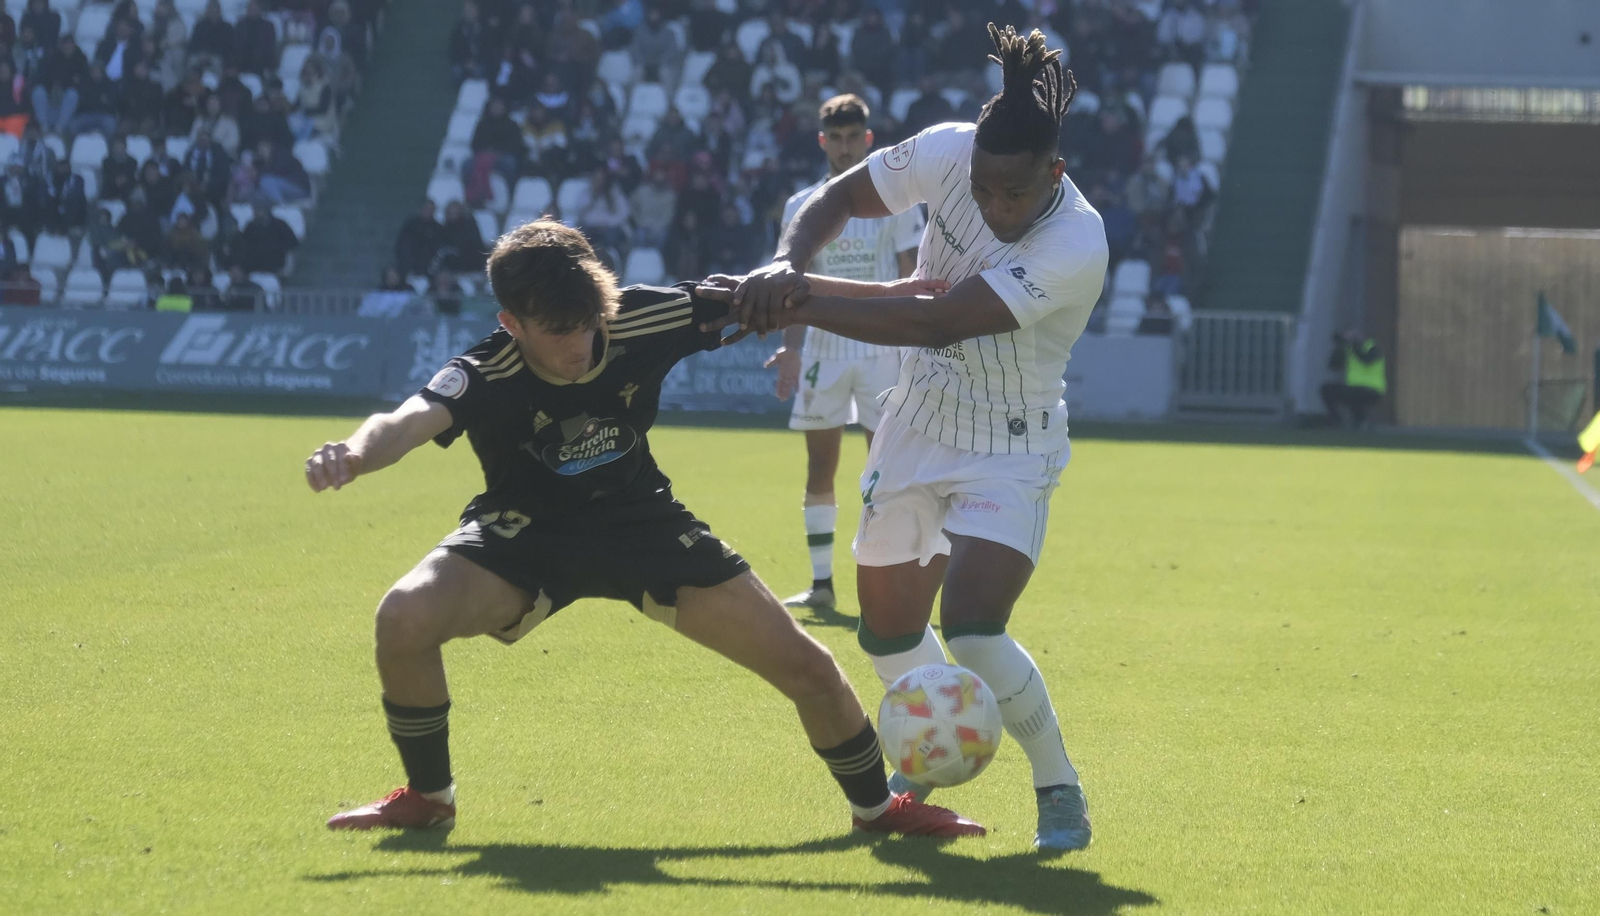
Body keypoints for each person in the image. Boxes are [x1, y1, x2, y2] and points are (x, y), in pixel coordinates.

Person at [304, 220, 984, 840]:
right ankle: (430, 798)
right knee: (403, 616)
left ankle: (878, 810)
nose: (580, 343)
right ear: (512, 323)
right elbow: (407, 420)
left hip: (644, 525)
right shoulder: (485, 370)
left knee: (808, 666)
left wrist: (889, 289)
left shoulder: (640, 316)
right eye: (557, 331)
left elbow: (774, 292)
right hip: (524, 538)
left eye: (588, 324)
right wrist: (356, 453)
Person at [715, 25, 1106, 852]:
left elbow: (938, 321)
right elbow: (837, 200)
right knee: (886, 630)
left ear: (1055, 173)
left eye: (1016, 195)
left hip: (1010, 441)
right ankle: (932, 745)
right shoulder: (945, 150)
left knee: (971, 625)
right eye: (985, 190)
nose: (997, 208)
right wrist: (788, 262)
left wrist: (797, 302)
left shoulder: (1077, 240)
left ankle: (1058, 787)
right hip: (915, 419)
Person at [761, 94, 925, 614]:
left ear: (868, 140)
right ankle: (822, 585)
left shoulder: (896, 203)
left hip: (882, 348)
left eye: (855, 137)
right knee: (819, 470)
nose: (846, 146)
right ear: (823, 141)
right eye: (837, 138)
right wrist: (790, 349)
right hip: (822, 349)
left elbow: (912, 281)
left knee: (889, 471)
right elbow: (790, 285)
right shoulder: (801, 205)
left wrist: (916, 349)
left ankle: (890, 584)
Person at [1321, 329, 1385, 429]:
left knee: (1356, 396)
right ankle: (1337, 420)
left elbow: (1366, 360)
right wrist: (1340, 347)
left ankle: (1361, 421)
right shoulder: (1349, 350)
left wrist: (1354, 344)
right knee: (1327, 389)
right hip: (1354, 388)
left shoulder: (1372, 347)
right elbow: (1333, 366)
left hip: (1372, 389)